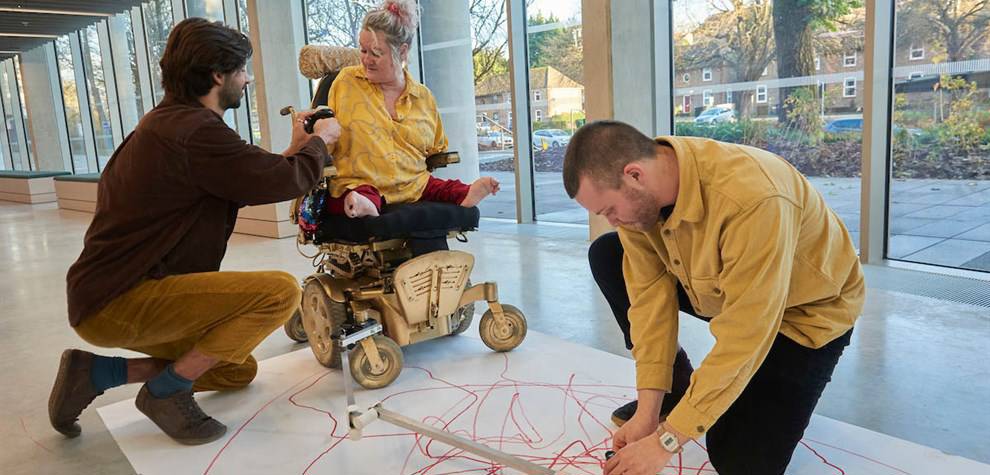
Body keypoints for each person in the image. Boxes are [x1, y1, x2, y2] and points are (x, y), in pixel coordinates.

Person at [49, 18, 341, 445]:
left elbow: (251, 176)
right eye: (242, 69)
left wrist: (298, 149)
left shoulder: (170, 124)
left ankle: (94, 372)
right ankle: (166, 393)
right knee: (280, 292)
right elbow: (279, 181)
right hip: (117, 299)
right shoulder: (195, 133)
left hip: (109, 292)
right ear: (217, 75)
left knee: (235, 369)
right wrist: (322, 142)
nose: (247, 78)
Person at [562, 120, 865, 475]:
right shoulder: (640, 205)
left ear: (634, 175)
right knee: (608, 254)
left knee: (739, 461)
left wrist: (666, 442)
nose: (612, 221)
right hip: (724, 289)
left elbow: (745, 335)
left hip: (805, 314)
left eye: (609, 210)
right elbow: (648, 304)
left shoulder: (753, 198)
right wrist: (648, 415)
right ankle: (676, 392)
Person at [323, 0, 499, 219]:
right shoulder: (346, 83)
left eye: (376, 53)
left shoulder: (422, 96)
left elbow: (436, 148)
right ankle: (362, 205)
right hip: (361, 182)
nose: (366, 59)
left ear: (402, 51)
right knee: (357, 196)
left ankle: (466, 193)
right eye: (363, 50)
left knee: (437, 187)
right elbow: (327, 134)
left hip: (412, 184)